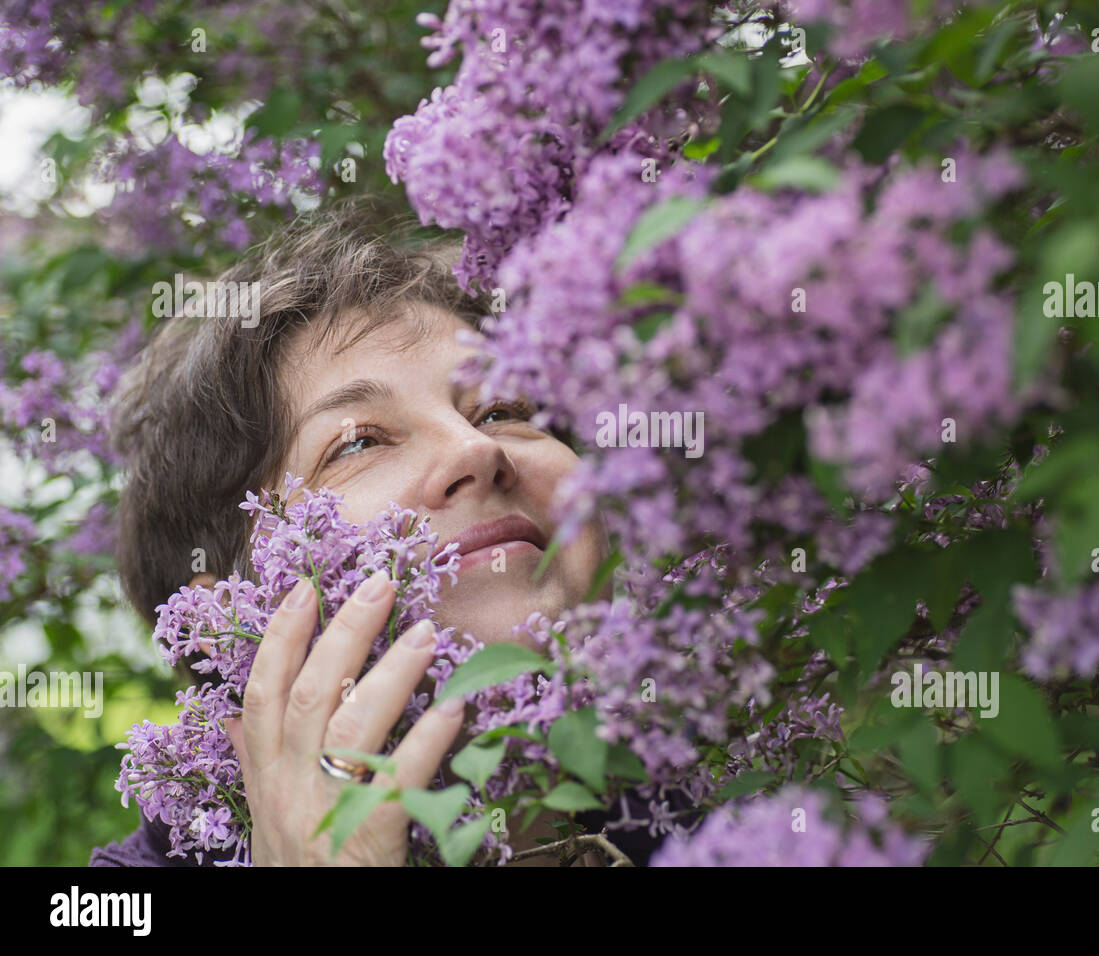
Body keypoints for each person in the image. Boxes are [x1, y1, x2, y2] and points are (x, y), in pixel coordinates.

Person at [89, 198, 682, 867]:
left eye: (503, 409)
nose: (476, 450)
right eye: (357, 442)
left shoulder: (730, 815)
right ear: (228, 619)